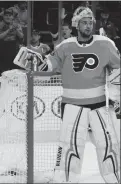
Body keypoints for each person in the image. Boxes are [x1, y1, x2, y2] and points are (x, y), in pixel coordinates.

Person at [23, 6, 120, 183]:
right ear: (76, 25)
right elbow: (49, 66)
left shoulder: (106, 44)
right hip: (72, 105)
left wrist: (116, 98)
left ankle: (114, 179)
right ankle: (65, 180)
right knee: (70, 146)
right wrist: (34, 62)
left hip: (99, 104)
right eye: (84, 22)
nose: (88, 26)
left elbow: (117, 69)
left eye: (90, 23)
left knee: (108, 144)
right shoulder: (65, 46)